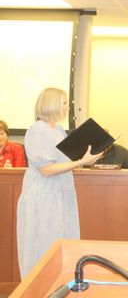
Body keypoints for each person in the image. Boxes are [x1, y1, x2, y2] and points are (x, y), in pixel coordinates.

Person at [17, 87, 102, 278]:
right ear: (52, 104)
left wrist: (86, 160)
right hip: (44, 198)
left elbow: (66, 163)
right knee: (43, 246)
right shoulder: (36, 130)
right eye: (64, 103)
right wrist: (80, 162)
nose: (67, 108)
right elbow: (45, 169)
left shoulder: (59, 131)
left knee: (63, 242)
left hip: (62, 195)